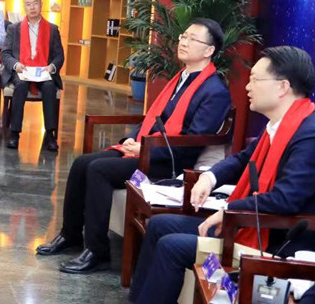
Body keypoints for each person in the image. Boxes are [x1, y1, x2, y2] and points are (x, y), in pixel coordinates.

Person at [94, 46, 315, 304]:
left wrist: (228, 211)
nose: (247, 87)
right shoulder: (284, 124)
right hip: (255, 224)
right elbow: (242, 160)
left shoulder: (312, 136)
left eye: (255, 79)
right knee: (161, 225)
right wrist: (210, 178)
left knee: (172, 246)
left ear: (282, 87)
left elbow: (285, 200)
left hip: (277, 244)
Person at [37, 18, 232, 274]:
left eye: (192, 39)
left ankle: (97, 250)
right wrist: (131, 139)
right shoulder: (181, 78)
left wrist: (147, 149)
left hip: (170, 163)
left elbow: (191, 144)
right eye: (183, 36)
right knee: (81, 163)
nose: (183, 42)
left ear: (209, 50)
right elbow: (154, 118)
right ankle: (71, 234)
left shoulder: (215, 91)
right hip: (151, 150)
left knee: (99, 170)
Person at [1, 0, 64, 152]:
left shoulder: (52, 29)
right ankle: (14, 133)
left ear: (41, 5)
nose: (32, 7)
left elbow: (59, 56)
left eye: (35, 3)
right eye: (28, 4)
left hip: (43, 71)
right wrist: (16, 65)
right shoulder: (14, 29)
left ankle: (50, 134)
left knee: (49, 87)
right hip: (22, 70)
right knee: (21, 86)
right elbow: (5, 54)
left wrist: (51, 67)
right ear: (24, 7)